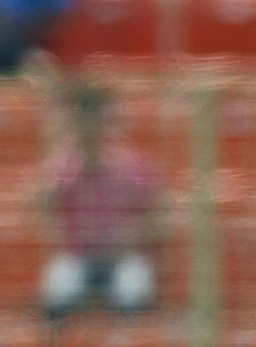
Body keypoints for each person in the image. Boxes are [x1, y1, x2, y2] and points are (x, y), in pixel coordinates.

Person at [39, 81, 164, 319]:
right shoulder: (60, 167)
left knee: (132, 288)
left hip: (122, 256)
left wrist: (134, 235)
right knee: (58, 288)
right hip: (76, 256)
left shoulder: (132, 166)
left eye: (95, 119)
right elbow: (40, 209)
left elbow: (158, 217)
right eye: (83, 120)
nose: (90, 128)